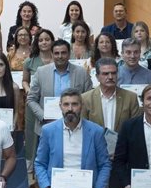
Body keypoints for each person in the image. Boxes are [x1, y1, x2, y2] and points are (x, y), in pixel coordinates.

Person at [81, 57, 141, 188]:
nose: (110, 77)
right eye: (105, 74)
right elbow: (82, 131)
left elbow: (136, 131)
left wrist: (120, 152)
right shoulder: (85, 98)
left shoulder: (130, 98)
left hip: (120, 161)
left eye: (113, 73)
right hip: (94, 161)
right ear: (97, 76)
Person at [27, 39, 92, 141]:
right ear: (52, 54)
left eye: (63, 53)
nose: (60, 56)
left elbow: (89, 99)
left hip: (75, 126)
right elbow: (31, 99)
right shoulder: (41, 72)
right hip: (48, 125)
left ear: (69, 54)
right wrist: (43, 116)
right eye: (56, 53)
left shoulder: (82, 73)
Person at [22, 29, 55, 168]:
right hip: (34, 104)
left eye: (47, 39)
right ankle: (32, 170)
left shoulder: (59, 58)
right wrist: (30, 91)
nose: (44, 42)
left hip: (54, 104)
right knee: (32, 136)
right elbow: (24, 81)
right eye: (41, 40)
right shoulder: (30, 61)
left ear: (52, 41)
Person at [7, 27, 31, 131]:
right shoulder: (11, 53)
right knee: (17, 119)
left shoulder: (34, 53)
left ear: (30, 37)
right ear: (16, 38)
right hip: (15, 92)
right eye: (20, 35)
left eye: (25, 35)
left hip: (30, 91)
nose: (23, 37)